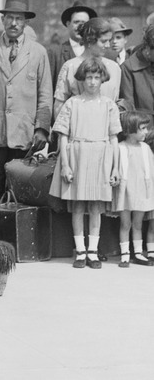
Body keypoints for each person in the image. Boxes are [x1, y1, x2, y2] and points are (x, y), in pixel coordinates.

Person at [0, 0, 52, 201]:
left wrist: (41, 129)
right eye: (9, 17)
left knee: (21, 195)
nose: (13, 23)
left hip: (25, 134)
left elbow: (45, 95)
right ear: (2, 20)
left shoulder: (38, 52)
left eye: (19, 19)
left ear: (26, 22)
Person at [49, 57, 120, 269]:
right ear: (82, 79)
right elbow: (63, 136)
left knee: (97, 206)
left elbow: (114, 137)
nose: (92, 82)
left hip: (101, 156)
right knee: (78, 206)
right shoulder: (72, 103)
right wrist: (65, 165)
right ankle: (80, 251)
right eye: (88, 77)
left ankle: (93, 251)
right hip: (77, 155)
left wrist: (115, 167)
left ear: (102, 79)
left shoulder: (109, 105)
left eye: (97, 77)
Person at [52, 18, 121, 119]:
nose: (107, 45)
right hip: (77, 129)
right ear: (90, 40)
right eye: (103, 41)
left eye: (109, 41)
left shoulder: (114, 68)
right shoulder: (71, 67)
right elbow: (59, 105)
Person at [112, 111, 154, 267]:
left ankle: (138, 252)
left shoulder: (145, 148)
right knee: (125, 223)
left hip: (142, 191)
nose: (146, 132)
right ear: (130, 130)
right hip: (125, 191)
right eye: (142, 128)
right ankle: (125, 254)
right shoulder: (120, 148)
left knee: (138, 223)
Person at [47, 1, 97, 88]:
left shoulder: (96, 52)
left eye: (84, 23)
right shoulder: (55, 53)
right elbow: (48, 86)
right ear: (68, 24)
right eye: (76, 22)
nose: (80, 27)